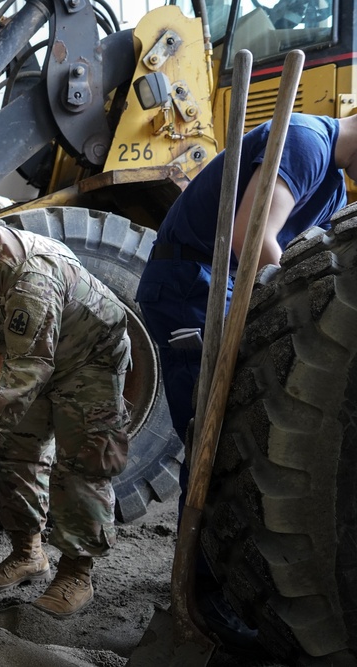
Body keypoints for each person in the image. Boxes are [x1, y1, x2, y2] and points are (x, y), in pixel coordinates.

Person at [135, 112, 357, 647]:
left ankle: (216, 572)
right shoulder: (305, 143)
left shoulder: (332, 181)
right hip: (193, 281)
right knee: (208, 432)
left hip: (223, 279)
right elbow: (251, 238)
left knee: (231, 424)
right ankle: (203, 592)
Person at [0, 196, 131, 618]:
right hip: (29, 359)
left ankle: (75, 573)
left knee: (83, 463)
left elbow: (29, 371)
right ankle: (28, 553)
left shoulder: (33, 276)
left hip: (89, 359)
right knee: (17, 453)